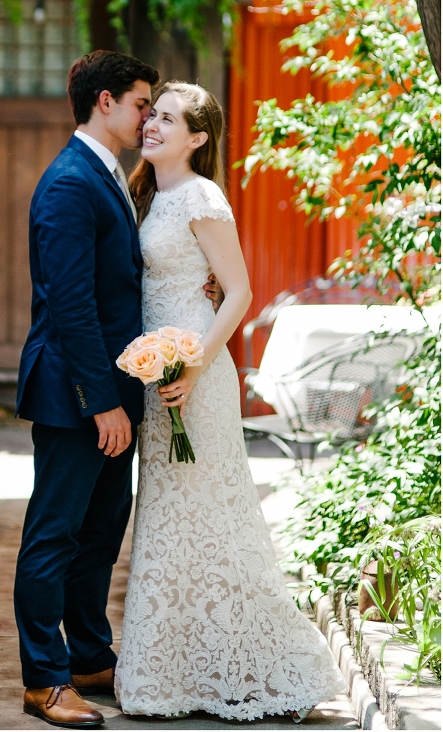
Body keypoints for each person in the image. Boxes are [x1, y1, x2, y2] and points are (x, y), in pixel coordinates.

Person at [115, 82, 346, 722]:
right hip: (157, 371)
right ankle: (177, 669)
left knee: (210, 510)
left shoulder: (200, 194)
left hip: (196, 367)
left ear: (198, 137)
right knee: (167, 514)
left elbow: (240, 292)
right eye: (152, 114)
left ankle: (260, 660)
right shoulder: (146, 194)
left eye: (169, 119)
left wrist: (193, 364)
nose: (154, 125)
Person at [13, 53, 219, 729]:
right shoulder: (70, 183)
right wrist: (101, 400)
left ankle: (89, 656)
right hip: (76, 395)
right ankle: (44, 679)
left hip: (110, 392)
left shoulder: (111, 178)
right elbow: (70, 305)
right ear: (106, 102)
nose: (147, 116)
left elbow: (127, 279)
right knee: (55, 535)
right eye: (140, 104)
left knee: (101, 532)